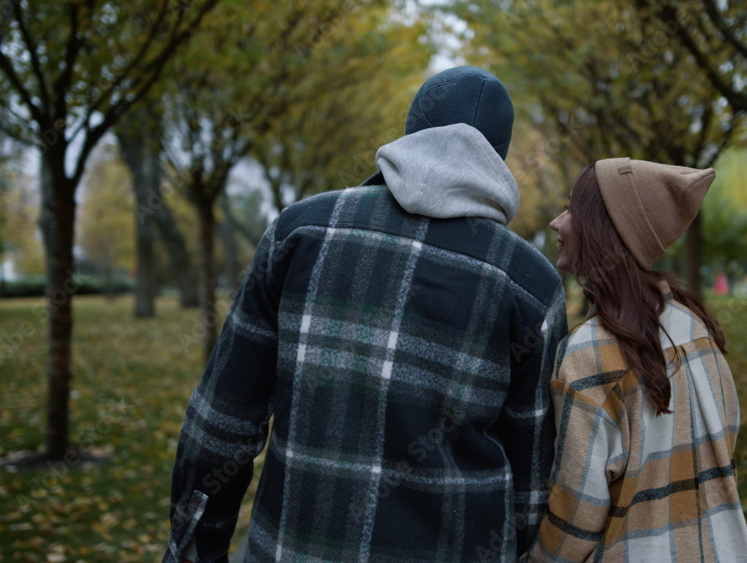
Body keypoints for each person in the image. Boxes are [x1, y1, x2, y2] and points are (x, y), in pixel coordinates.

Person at [164, 66, 568, 562]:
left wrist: (194, 547)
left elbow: (221, 421)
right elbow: (531, 479)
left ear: (411, 129)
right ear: (499, 155)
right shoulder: (530, 283)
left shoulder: (301, 233)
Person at [529, 159, 747, 561]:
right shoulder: (697, 327)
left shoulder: (589, 353)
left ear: (603, 232)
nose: (556, 223)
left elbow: (577, 512)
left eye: (571, 211)